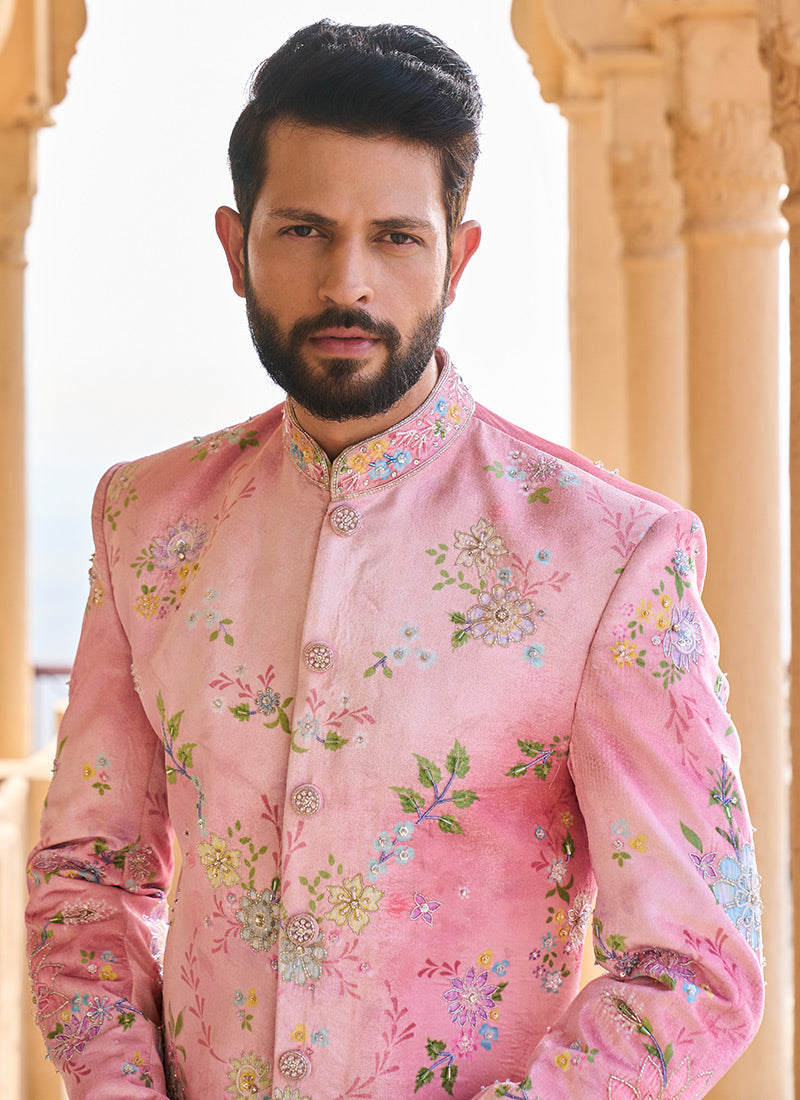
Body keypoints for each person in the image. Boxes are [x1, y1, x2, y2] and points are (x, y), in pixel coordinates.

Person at [26, 19, 764, 1100]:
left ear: (456, 256)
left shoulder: (609, 558)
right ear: (236, 247)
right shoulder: (145, 522)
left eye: (396, 237)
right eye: (305, 230)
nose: (348, 282)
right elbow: (87, 880)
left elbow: (694, 964)